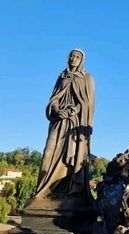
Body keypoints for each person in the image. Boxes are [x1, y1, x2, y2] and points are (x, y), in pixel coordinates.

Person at [33, 48, 95, 201]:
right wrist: (56, 109)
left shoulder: (87, 78)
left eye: (77, 57)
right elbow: (54, 98)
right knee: (48, 154)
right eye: (71, 56)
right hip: (59, 121)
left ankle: (68, 191)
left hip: (74, 125)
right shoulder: (62, 77)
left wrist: (75, 109)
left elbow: (88, 103)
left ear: (81, 61)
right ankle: (43, 191)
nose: (73, 59)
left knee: (72, 157)